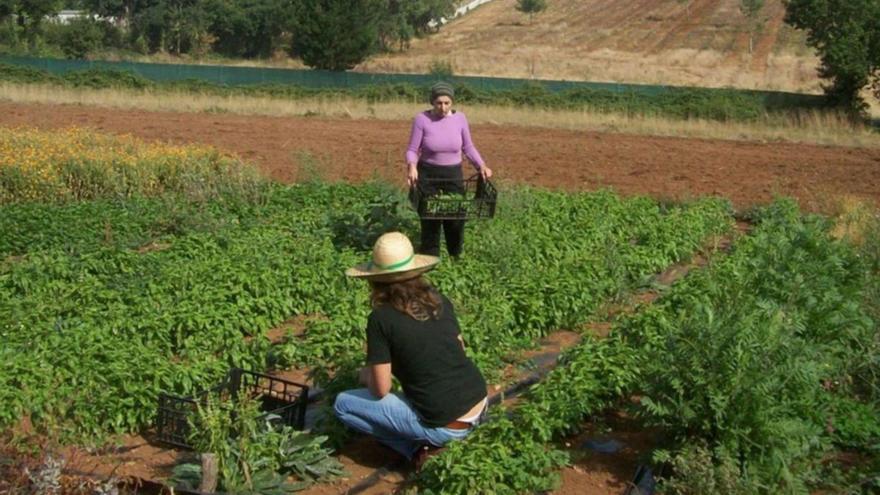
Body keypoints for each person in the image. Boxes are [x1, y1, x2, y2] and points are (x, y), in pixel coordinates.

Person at [334, 231, 488, 465]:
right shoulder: (438, 299)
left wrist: (365, 375)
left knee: (343, 404)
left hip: (447, 425)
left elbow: (381, 389)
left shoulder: (381, 319)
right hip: (480, 403)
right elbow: (460, 347)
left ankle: (415, 452)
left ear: (375, 280)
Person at [405, 81, 493, 258]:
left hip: (453, 174)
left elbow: (468, 147)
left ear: (452, 102)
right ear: (432, 102)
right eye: (439, 103)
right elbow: (413, 150)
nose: (443, 107)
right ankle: (430, 258)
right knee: (430, 218)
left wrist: (481, 165)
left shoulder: (460, 119)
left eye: (447, 103)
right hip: (428, 175)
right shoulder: (422, 119)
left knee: (456, 217)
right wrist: (412, 166)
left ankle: (455, 256)